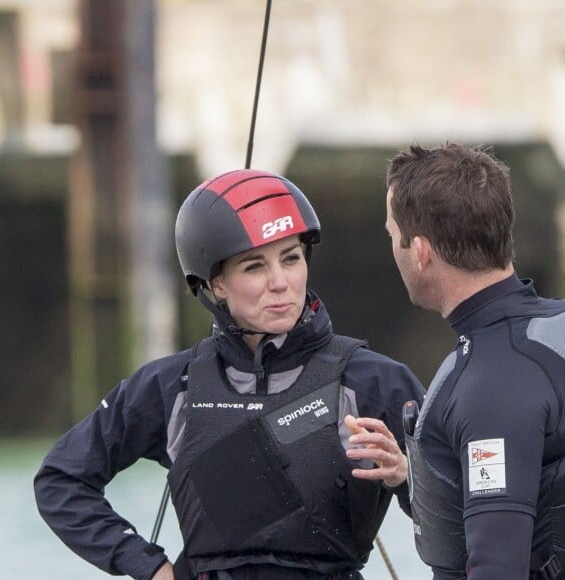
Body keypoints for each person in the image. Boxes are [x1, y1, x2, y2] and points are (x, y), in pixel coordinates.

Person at [34, 168, 425, 580]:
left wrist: (405, 477)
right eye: (254, 267)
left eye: (291, 258)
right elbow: (60, 481)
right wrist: (148, 566)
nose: (280, 283)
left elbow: (466, 516)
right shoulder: (171, 386)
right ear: (216, 283)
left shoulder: (376, 381)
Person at [377, 142, 565, 580]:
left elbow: (497, 566)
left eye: (391, 235)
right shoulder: (546, 335)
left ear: (420, 252)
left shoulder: (493, 382)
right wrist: (413, 478)